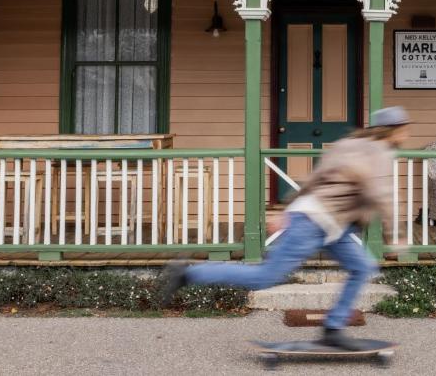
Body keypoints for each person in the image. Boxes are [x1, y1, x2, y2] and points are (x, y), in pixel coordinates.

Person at [157, 106, 410, 350]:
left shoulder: (347, 145)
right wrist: (395, 235)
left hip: (332, 223)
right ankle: (188, 275)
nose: (406, 134)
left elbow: (313, 178)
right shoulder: (379, 153)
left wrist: (287, 209)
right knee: (265, 277)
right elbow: (381, 195)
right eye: (403, 129)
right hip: (315, 221)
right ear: (392, 130)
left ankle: (333, 329)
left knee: (362, 266)